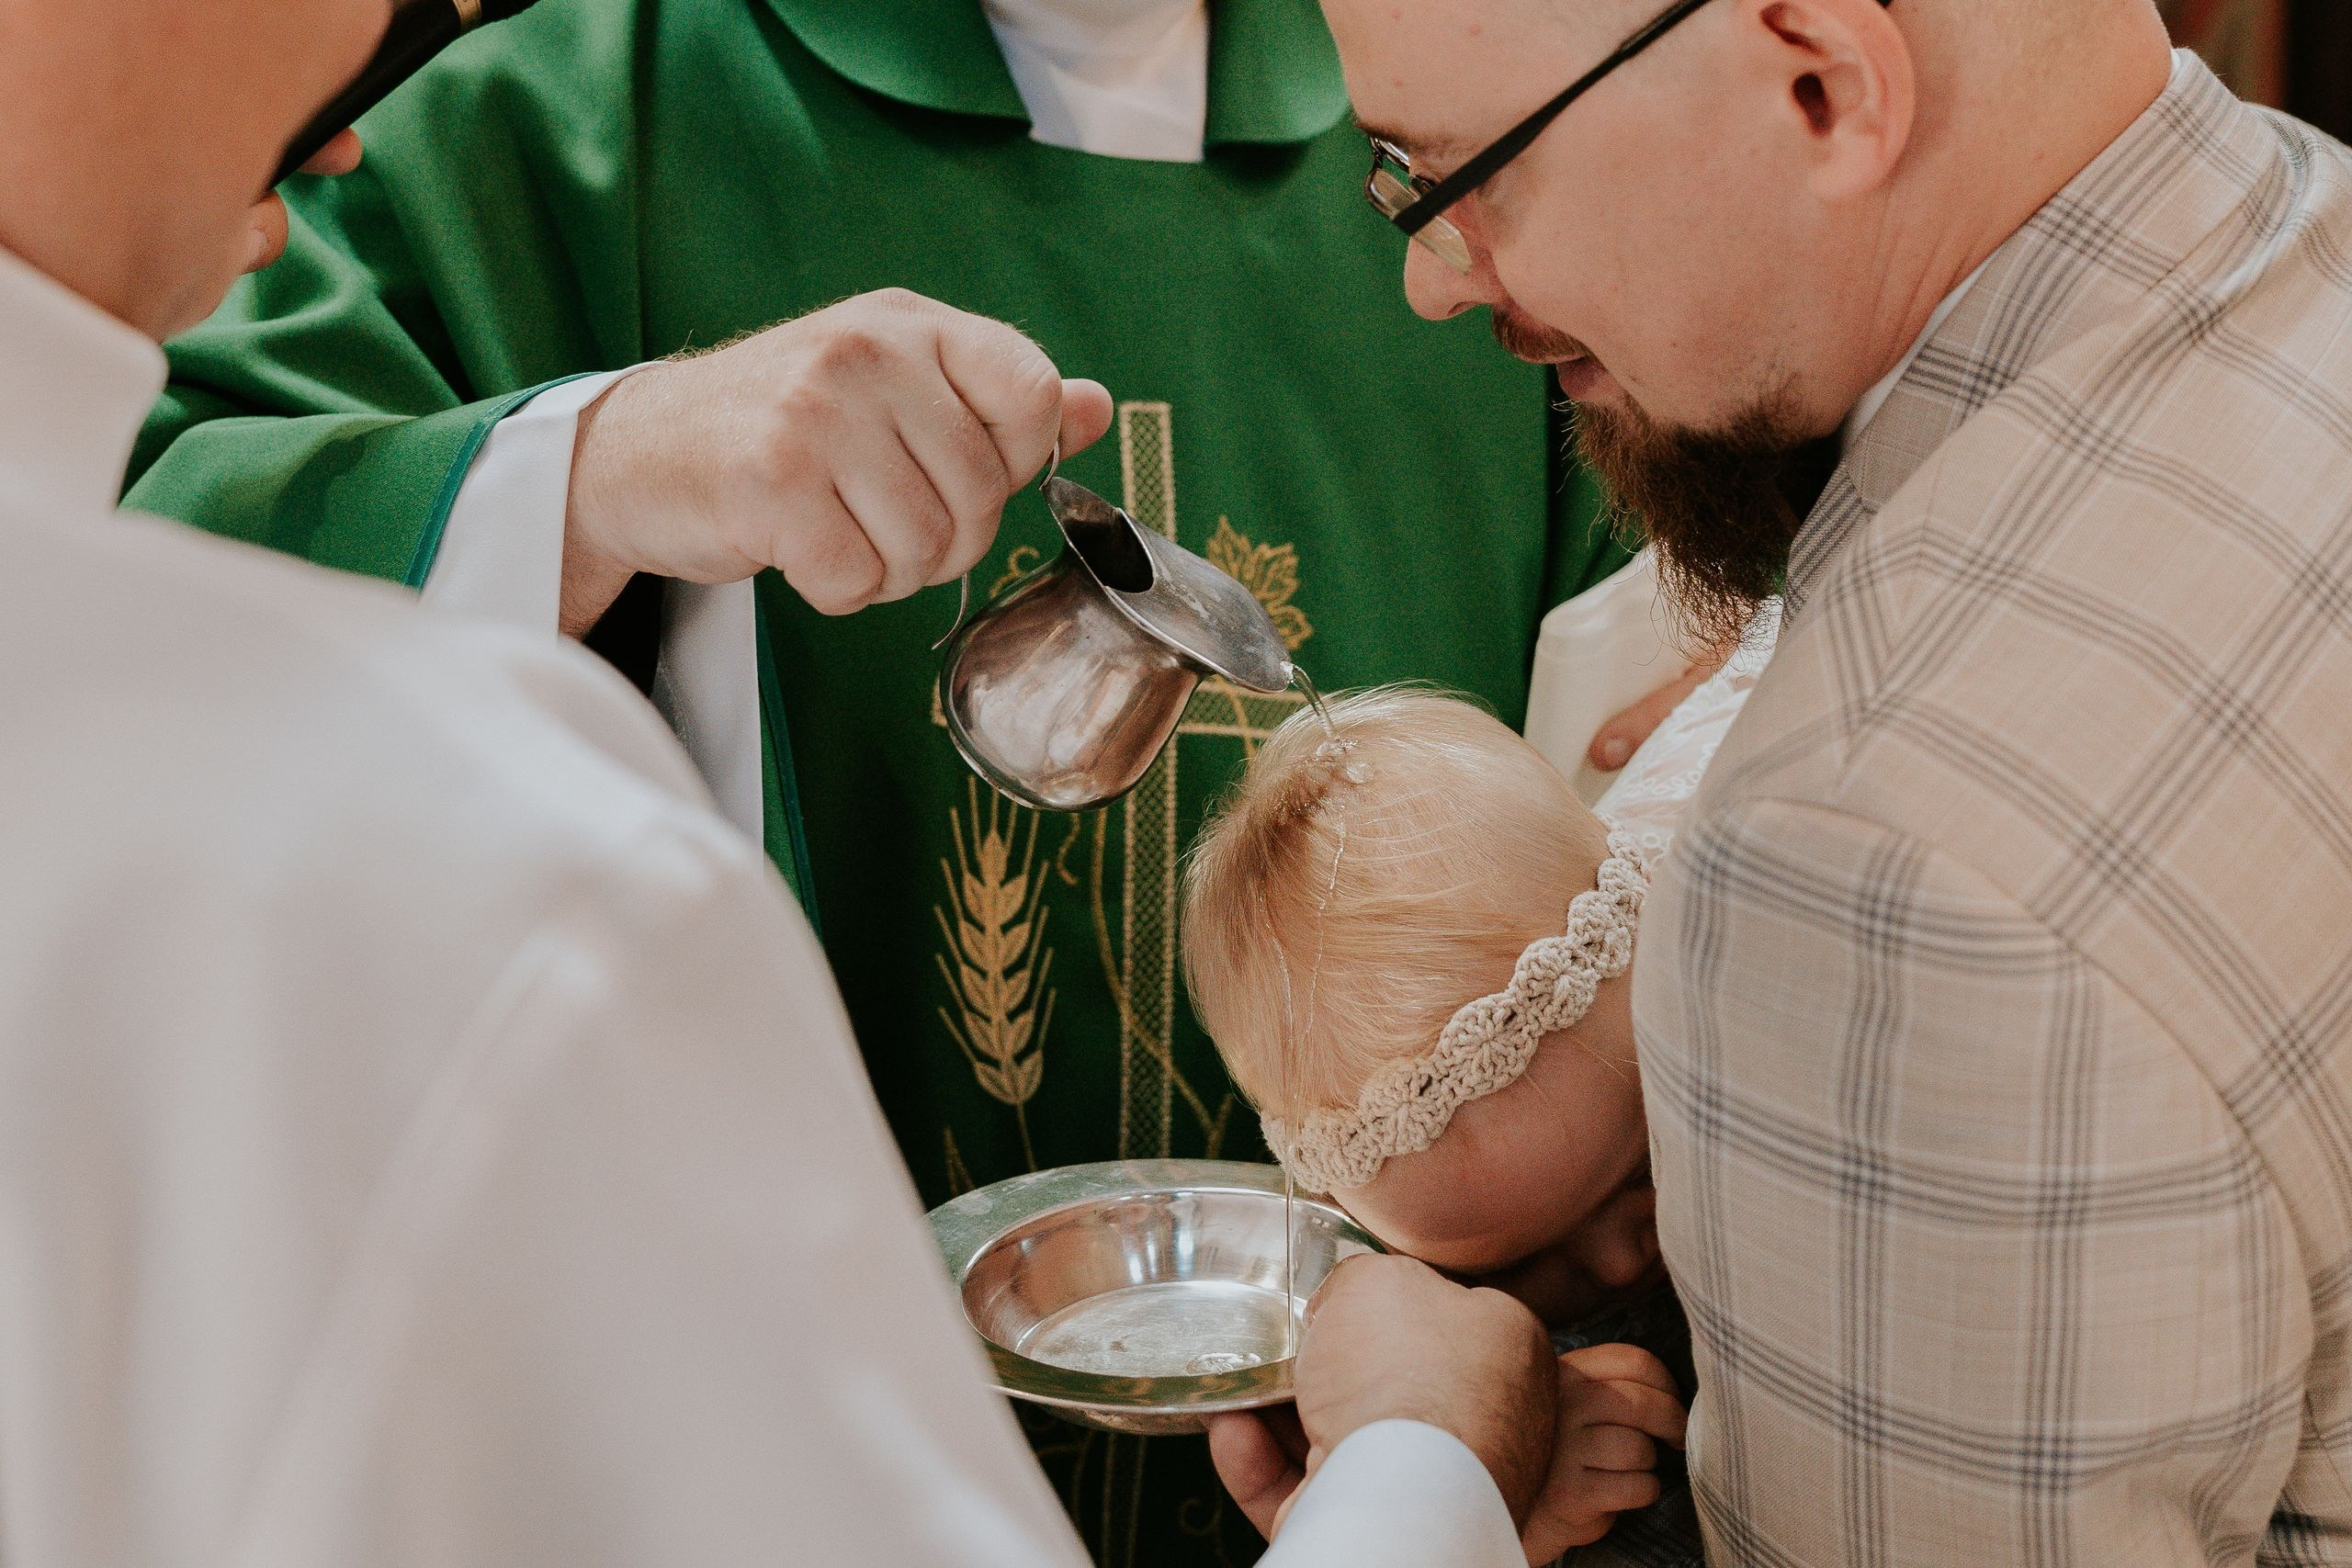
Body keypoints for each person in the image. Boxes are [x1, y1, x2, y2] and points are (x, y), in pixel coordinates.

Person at [0, 0, 1587, 1559]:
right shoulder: (561, 115)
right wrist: (599, 468)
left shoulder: (1453, 116)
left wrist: (1539, 1318)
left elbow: (1664, 726)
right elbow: (115, 580)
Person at [1222, 0, 2352, 1561]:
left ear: (1821, 84)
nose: (1432, 273)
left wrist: (1433, 1475)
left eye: (1446, 171)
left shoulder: (1872, 864)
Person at [1181, 673, 1769, 1564]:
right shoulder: (1459, 1392)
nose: (1620, 1257)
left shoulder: (1754, 991)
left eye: (1644, 1163)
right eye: (1523, 1268)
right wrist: (1511, 1492)